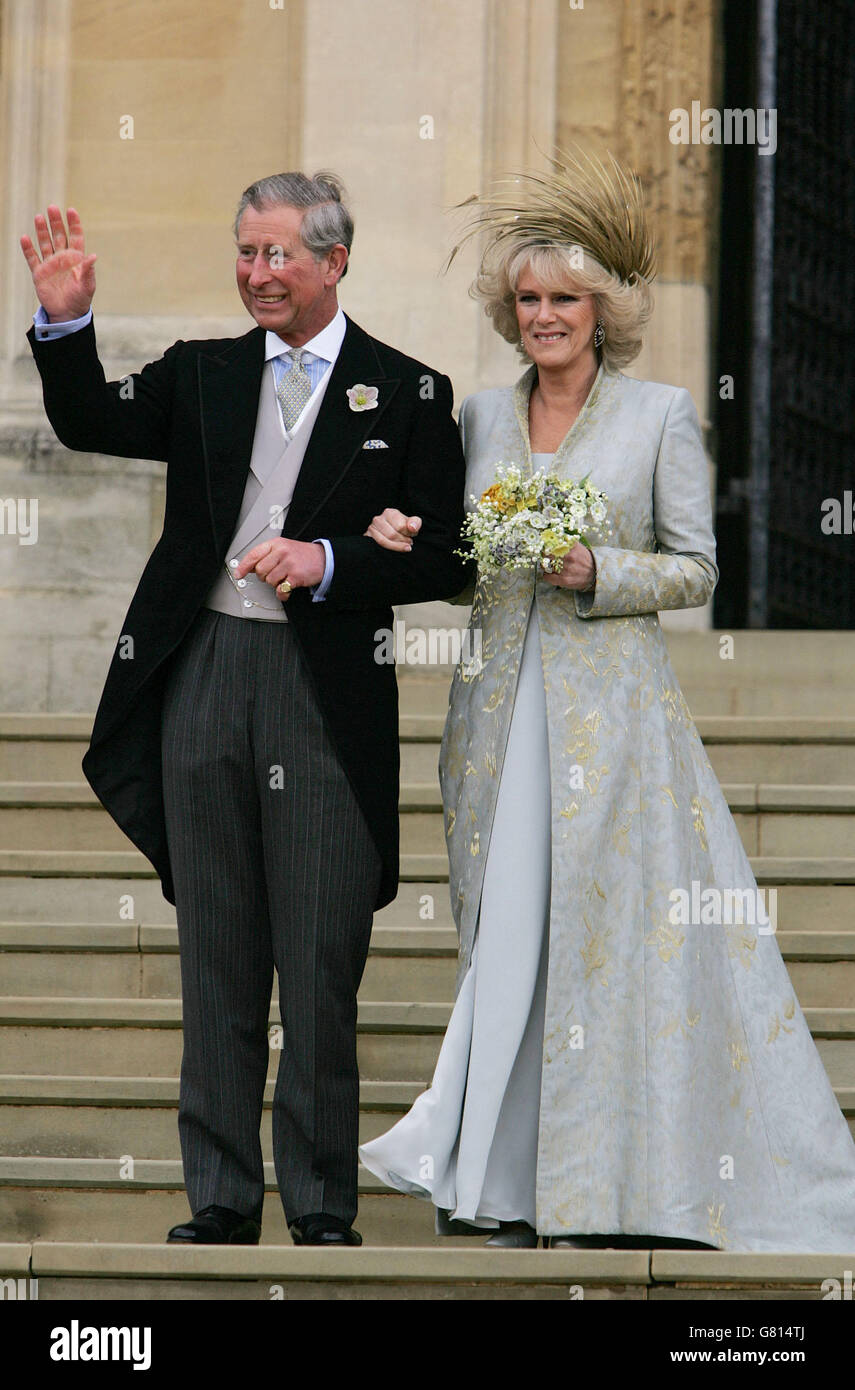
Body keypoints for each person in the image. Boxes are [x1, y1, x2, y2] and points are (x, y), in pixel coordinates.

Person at [358, 149, 855, 1252]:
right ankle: (496, 1181)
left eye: (565, 300)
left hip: (613, 728)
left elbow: (695, 567)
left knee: (599, 946)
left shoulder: (662, 415)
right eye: (529, 300)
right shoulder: (480, 418)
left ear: (604, 310)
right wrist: (400, 540)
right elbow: (460, 556)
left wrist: (599, 571)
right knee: (511, 942)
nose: (545, 317)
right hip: (494, 719)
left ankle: (603, 1184)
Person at [21, 171, 470, 1247]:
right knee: (216, 944)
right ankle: (220, 1196)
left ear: (333, 263)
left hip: (320, 691)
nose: (257, 274)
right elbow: (88, 420)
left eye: (277, 256)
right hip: (204, 670)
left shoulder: (408, 392)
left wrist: (332, 559)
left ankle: (319, 1205)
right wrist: (66, 320)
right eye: (245, 253)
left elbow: (450, 555)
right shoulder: (203, 374)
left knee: (317, 960)